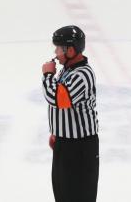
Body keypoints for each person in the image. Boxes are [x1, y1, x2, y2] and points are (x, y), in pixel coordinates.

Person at [42, 25, 99, 202]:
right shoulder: (67, 70)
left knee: (79, 195)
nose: (55, 52)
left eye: (59, 48)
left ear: (71, 50)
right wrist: (57, 133)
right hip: (65, 144)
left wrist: (48, 75)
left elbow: (59, 99)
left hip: (80, 147)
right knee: (62, 193)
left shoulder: (83, 74)